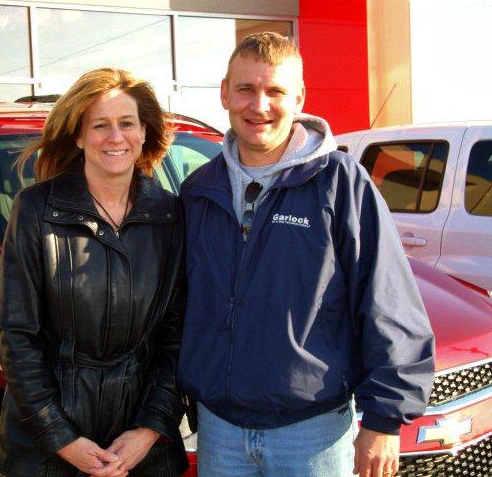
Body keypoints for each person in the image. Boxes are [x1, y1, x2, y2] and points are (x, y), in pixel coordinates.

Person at [178, 32, 435, 477]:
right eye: (245, 89)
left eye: (275, 91)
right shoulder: (199, 190)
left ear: (298, 98)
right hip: (219, 431)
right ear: (225, 93)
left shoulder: (340, 182)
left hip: (312, 434)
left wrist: (384, 419)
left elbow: (387, 301)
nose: (259, 106)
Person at [0, 68, 189, 477]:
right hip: (47, 450)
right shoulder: (35, 211)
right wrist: (61, 438)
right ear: (79, 136)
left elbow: (177, 336)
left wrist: (150, 430)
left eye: (126, 123)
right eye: (100, 125)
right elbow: (17, 336)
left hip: (140, 450)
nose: (115, 137)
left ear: (144, 132)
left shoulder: (171, 215)